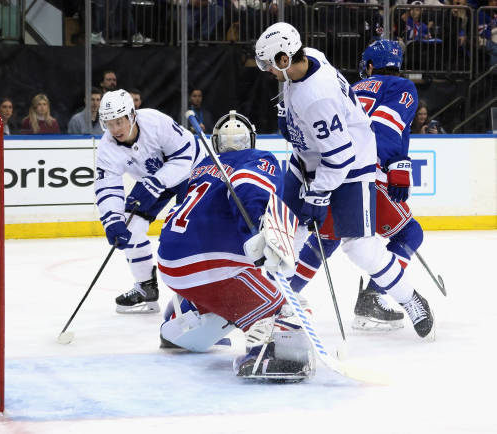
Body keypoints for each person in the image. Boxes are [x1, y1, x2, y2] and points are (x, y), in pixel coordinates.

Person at [255, 22, 435, 339]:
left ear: (285, 59)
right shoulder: (309, 56)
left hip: (351, 167)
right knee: (285, 232)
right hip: (307, 159)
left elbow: (338, 158)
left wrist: (318, 196)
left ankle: (410, 299)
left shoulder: (317, 98)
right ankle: (270, 299)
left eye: (270, 64)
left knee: (361, 248)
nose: (267, 70)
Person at [157, 111, 314, 381]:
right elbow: (250, 190)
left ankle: (182, 318)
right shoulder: (258, 158)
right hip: (208, 263)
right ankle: (264, 354)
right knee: (286, 309)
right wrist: (258, 223)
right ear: (250, 139)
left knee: (232, 301)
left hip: (170, 260)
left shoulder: (202, 166)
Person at [95, 89, 206, 313]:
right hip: (155, 181)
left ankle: (196, 293)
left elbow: (185, 156)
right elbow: (108, 186)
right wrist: (112, 220)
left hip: (193, 170)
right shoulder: (107, 147)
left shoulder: (155, 122)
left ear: (131, 116)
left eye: (119, 121)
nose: (115, 129)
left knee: (186, 231)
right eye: (109, 123)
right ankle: (146, 287)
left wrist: (154, 183)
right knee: (129, 225)